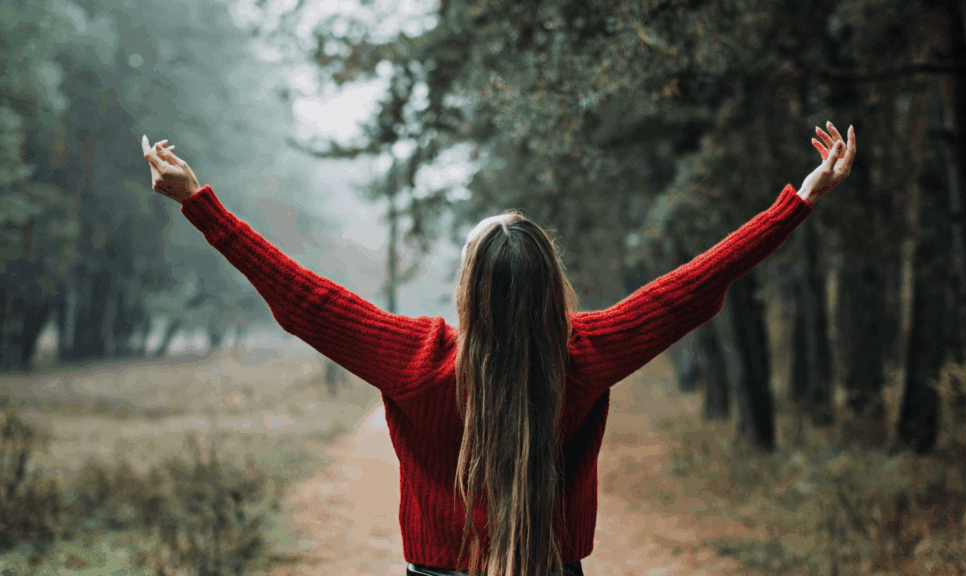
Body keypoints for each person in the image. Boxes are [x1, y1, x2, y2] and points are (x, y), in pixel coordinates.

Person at [140, 121, 855, 576]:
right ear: (551, 287)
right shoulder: (584, 353)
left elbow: (302, 298)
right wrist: (799, 202)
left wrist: (200, 201)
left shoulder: (415, 360)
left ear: (468, 287)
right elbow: (691, 286)